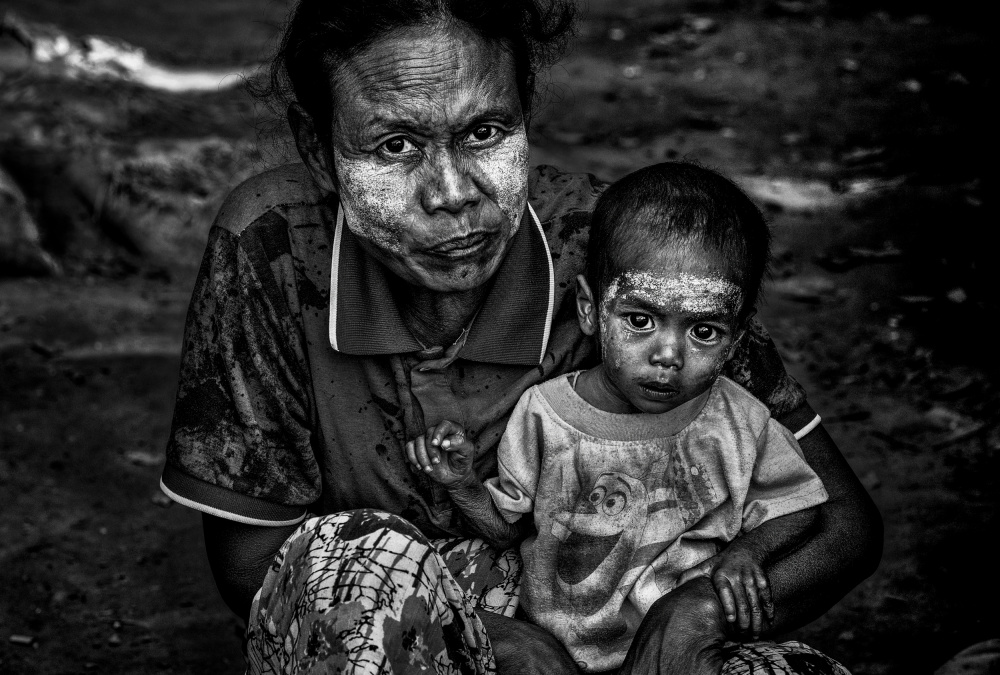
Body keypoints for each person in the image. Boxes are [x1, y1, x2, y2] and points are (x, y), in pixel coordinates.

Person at [157, 1, 883, 673]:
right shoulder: (275, 247)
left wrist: (701, 606)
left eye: (484, 131)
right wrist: (480, 635)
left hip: (625, 634)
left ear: (525, 114)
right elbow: (254, 562)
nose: (452, 192)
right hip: (391, 642)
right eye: (396, 143)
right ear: (319, 149)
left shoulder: (624, 257)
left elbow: (842, 522)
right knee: (361, 556)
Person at [406, 162, 834, 673]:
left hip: (679, 650)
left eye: (704, 331)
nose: (669, 354)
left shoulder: (740, 420)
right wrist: (463, 485)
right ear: (590, 309)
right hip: (554, 654)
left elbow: (800, 505)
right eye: (639, 320)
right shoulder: (546, 415)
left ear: (737, 339)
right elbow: (506, 531)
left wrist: (747, 552)